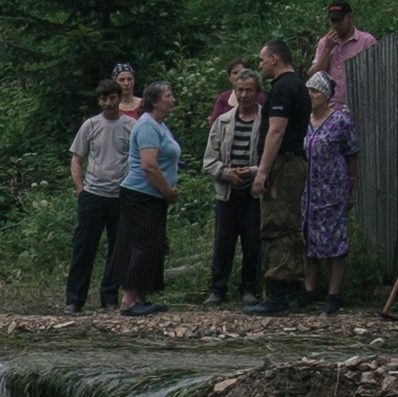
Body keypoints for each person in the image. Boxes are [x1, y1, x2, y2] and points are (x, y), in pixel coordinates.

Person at [200, 69, 276, 313]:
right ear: (234, 92)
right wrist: (226, 173)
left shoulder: (267, 123)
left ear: (258, 92)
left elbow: (273, 159)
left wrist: (253, 172)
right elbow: (208, 160)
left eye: (249, 90)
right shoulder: (222, 122)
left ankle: (249, 289)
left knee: (252, 242)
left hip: (254, 191)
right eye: (239, 90)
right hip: (227, 192)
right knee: (223, 241)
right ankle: (217, 289)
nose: (244, 95)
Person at [61, 77, 137, 311]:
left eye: (111, 97)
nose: (107, 103)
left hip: (120, 196)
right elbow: (76, 159)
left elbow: (137, 160)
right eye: (103, 99)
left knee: (117, 250)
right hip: (93, 195)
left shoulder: (130, 126)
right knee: (84, 248)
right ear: (99, 101)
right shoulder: (90, 125)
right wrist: (80, 190)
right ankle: (74, 300)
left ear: (118, 98)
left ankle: (110, 298)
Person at [116, 80, 186, 314]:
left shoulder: (160, 125)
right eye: (168, 95)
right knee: (143, 245)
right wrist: (167, 191)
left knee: (154, 245)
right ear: (155, 101)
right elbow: (149, 165)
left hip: (152, 196)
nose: (173, 99)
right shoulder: (146, 125)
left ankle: (142, 297)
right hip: (140, 194)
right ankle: (128, 301)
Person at [296, 68, 355, 308]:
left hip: (332, 189)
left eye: (314, 91)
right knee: (307, 239)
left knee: (334, 240)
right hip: (307, 190)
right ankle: (310, 288)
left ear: (325, 94)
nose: (310, 95)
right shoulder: (303, 121)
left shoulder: (341, 120)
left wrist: (352, 187)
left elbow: (352, 154)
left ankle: (334, 293)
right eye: (308, 90)